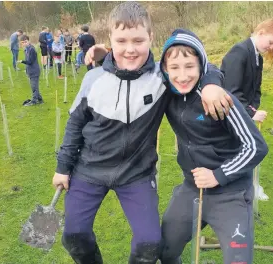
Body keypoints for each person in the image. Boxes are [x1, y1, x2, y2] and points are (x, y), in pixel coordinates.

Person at [52, 2, 232, 263]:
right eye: (121, 40)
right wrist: (62, 167)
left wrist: (212, 85)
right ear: (110, 39)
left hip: (136, 172)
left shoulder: (162, 77)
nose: (130, 48)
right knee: (74, 235)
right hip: (89, 169)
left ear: (151, 37)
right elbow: (74, 125)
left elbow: (200, 66)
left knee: (149, 244)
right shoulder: (93, 79)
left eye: (138, 40)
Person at [158, 28, 268, 264]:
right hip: (191, 189)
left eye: (189, 66)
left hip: (231, 194)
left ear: (201, 65)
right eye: (174, 68)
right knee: (165, 250)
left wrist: (219, 175)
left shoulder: (219, 99)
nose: (182, 75)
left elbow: (256, 146)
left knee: (238, 260)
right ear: (165, 70)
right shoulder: (167, 92)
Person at [221, 18, 273, 201]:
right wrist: (250, 113)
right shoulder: (239, 52)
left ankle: (250, 186)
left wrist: (253, 108)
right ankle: (238, 188)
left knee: (248, 148)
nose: (271, 47)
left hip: (243, 112)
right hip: (230, 114)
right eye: (271, 42)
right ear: (261, 33)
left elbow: (256, 89)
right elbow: (231, 90)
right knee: (241, 150)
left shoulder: (256, 56)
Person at [18, 35, 43, 106]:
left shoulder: (32, 49)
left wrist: (22, 61)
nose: (24, 43)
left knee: (34, 87)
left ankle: (34, 101)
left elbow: (30, 62)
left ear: (28, 41)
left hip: (34, 71)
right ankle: (40, 99)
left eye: (25, 42)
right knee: (34, 87)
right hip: (30, 71)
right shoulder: (26, 49)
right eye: (22, 42)